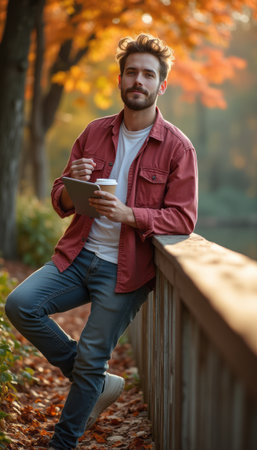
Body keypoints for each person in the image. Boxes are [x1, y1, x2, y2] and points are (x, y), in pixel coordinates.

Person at [5, 33, 198, 449]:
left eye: (148, 74)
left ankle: (63, 442)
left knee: (94, 354)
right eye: (132, 72)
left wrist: (132, 215)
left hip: (126, 269)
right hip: (78, 255)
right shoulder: (94, 132)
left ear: (161, 85)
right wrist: (73, 178)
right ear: (120, 79)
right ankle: (94, 378)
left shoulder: (178, 148)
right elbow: (59, 197)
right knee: (20, 305)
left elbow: (183, 217)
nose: (139, 81)